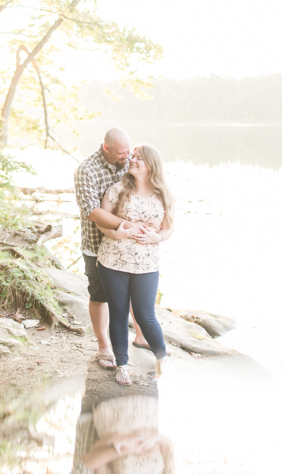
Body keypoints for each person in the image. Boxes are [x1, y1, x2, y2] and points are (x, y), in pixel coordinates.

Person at [95, 144, 174, 386]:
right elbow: (100, 220)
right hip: (113, 260)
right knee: (118, 313)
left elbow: (169, 227)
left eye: (139, 158)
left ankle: (162, 359)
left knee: (146, 315)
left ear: (151, 165)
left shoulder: (163, 194)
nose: (133, 160)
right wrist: (116, 233)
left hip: (147, 264)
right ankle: (122, 366)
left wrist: (157, 237)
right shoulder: (118, 190)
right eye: (133, 157)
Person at [75, 128, 151, 371]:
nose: (126, 157)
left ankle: (141, 336)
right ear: (105, 147)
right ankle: (104, 346)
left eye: (128, 152)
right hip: (97, 243)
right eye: (120, 153)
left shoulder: (129, 160)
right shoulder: (86, 170)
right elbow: (90, 210)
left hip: (129, 243)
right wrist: (126, 224)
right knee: (99, 294)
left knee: (136, 290)